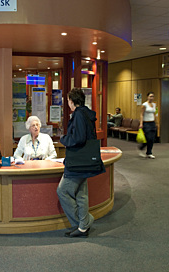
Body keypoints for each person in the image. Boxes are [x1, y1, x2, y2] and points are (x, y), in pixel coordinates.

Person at [57, 88, 105, 238]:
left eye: (68, 100)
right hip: (85, 162)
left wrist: (63, 139)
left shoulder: (78, 114)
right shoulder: (86, 113)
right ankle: (83, 226)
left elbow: (78, 138)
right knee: (81, 194)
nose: (68, 103)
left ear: (72, 101)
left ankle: (84, 223)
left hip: (77, 162)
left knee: (63, 191)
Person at [138, 92, 157, 159]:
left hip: (152, 123)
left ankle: (149, 153)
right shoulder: (144, 105)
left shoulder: (154, 105)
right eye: (150, 96)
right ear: (147, 97)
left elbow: (155, 113)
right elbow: (141, 114)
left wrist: (156, 122)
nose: (151, 98)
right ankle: (141, 147)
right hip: (146, 123)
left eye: (153, 96)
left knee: (152, 139)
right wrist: (141, 123)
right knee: (148, 138)